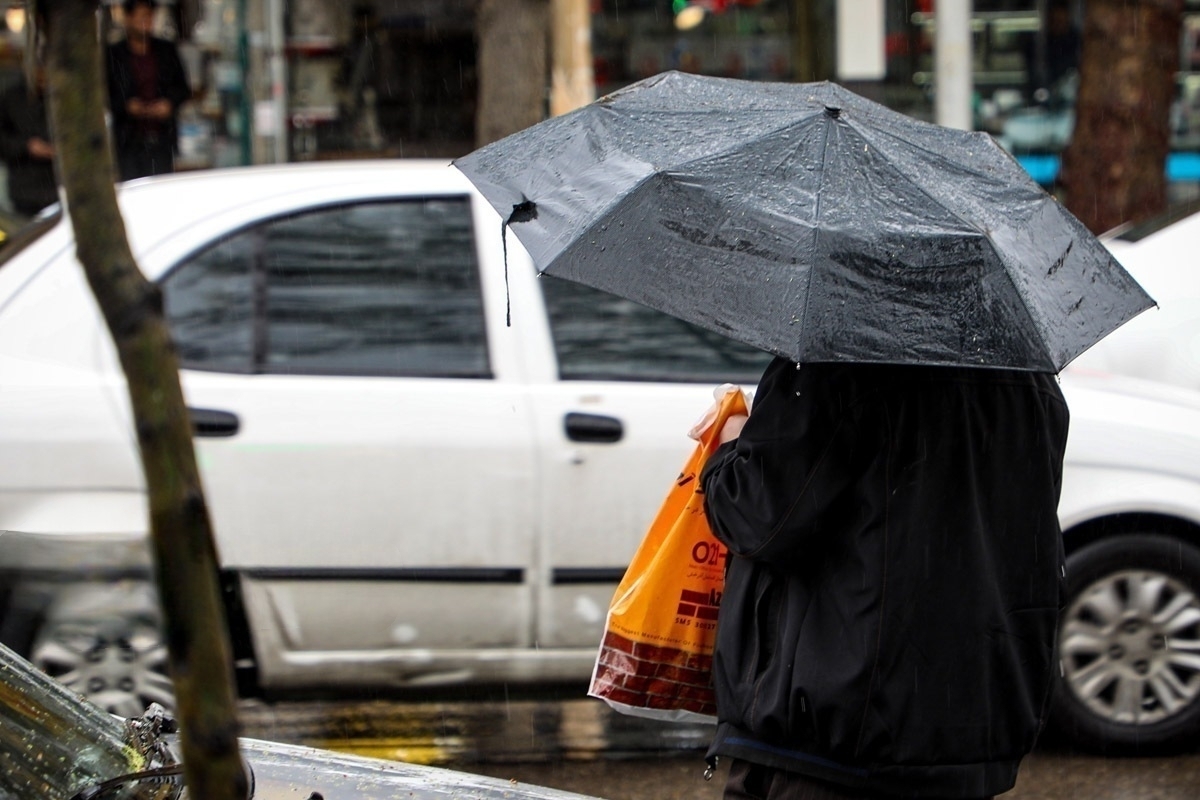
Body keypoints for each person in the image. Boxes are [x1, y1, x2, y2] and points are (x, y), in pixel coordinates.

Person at [701, 358, 1069, 800]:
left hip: (836, 735)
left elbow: (752, 515)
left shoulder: (836, 364)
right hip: (968, 727)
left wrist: (733, 437)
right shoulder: (1031, 383)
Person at [106, 0, 190, 180]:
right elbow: (107, 94)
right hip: (128, 140)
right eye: (141, 17)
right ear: (128, 19)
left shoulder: (166, 50)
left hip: (160, 138)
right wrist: (127, 106)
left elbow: (182, 88)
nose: (147, 22)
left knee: (161, 184)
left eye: (150, 17)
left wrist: (168, 104)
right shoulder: (114, 54)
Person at [0, 66, 58, 217]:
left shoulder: (65, 96)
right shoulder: (11, 97)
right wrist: (27, 146)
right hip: (26, 191)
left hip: (61, 187)